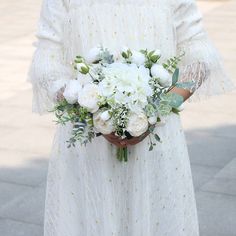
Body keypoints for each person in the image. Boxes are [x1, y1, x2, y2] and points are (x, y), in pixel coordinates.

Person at [28, 0, 234, 235]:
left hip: (154, 141)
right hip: (89, 143)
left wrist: (155, 112)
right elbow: (46, 65)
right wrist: (92, 108)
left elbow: (200, 58)